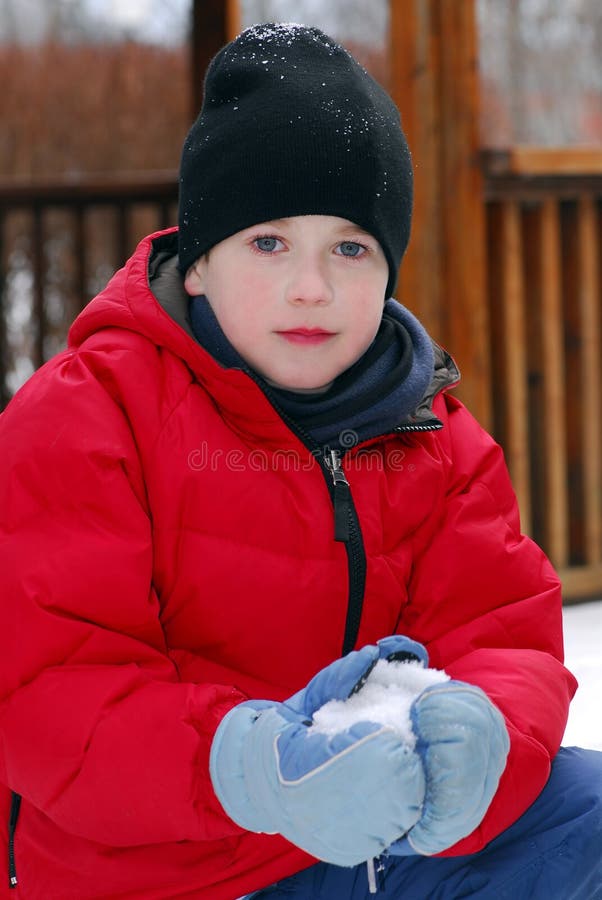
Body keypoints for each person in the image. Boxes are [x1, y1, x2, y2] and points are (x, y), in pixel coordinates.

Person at [0, 22, 600, 900]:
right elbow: (48, 692)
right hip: (166, 866)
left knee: (583, 814)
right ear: (198, 262)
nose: (311, 286)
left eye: (350, 248)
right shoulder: (86, 420)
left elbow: (501, 627)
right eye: (269, 242)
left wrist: (491, 731)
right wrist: (251, 767)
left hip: (381, 838)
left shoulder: (433, 435)